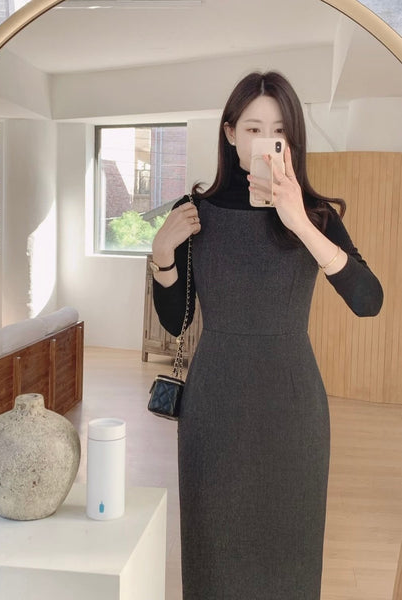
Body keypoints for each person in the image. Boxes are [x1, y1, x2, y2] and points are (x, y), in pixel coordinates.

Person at [151, 71, 383, 600]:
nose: (264, 141)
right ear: (230, 133)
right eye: (253, 128)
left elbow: (368, 300)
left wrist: (299, 221)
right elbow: (175, 321)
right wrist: (163, 256)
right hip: (215, 407)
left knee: (290, 556)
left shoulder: (314, 215)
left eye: (278, 131)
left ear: (292, 142)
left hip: (293, 410)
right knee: (213, 555)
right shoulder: (195, 212)